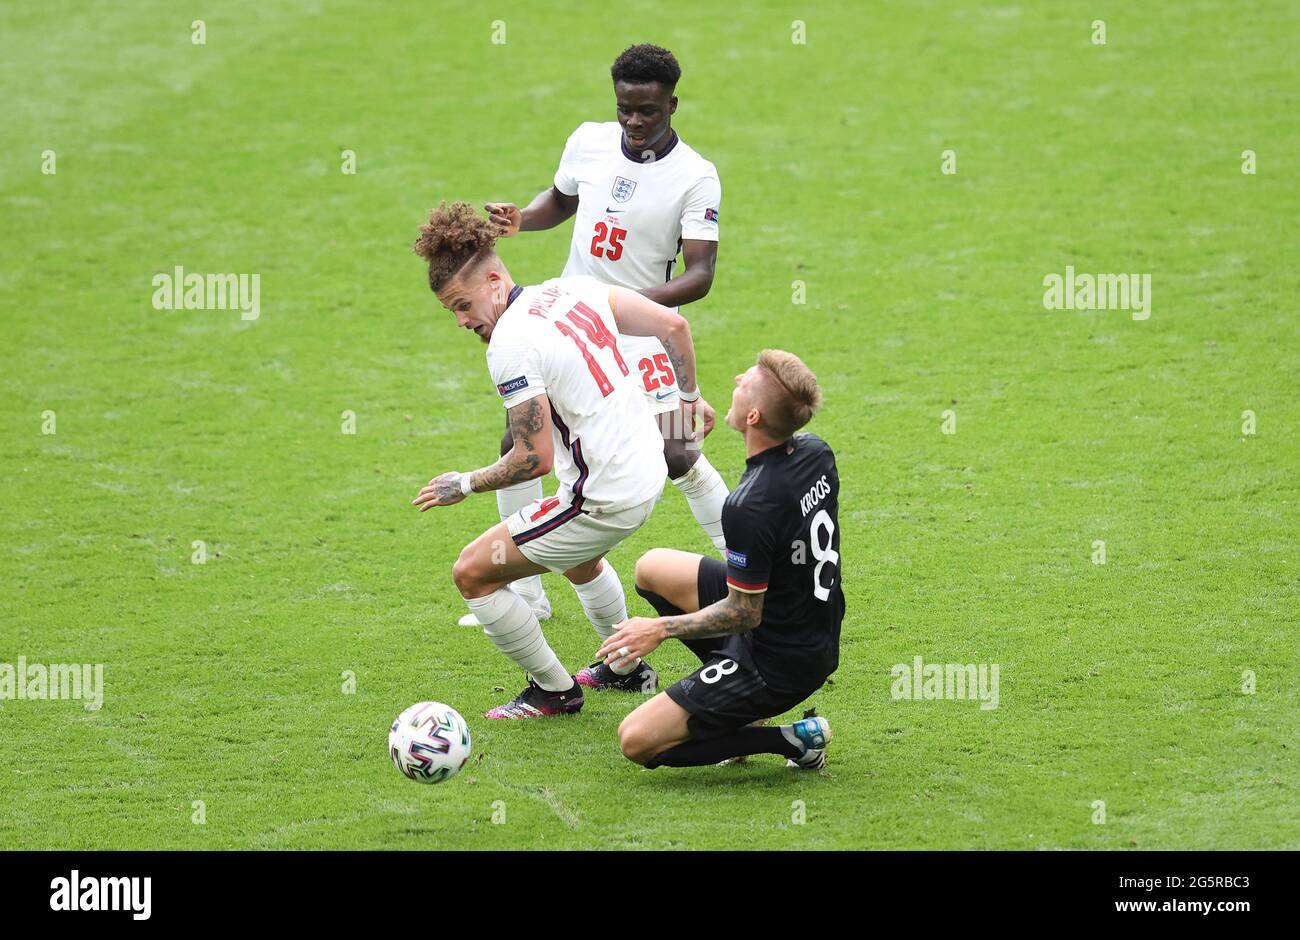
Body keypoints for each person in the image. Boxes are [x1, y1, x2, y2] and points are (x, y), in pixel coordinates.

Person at [410, 201, 716, 718]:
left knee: (473, 573)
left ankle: (554, 691)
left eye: (463, 305)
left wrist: (461, 485)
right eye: (452, 312)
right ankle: (626, 670)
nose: (462, 321)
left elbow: (531, 459)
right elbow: (673, 328)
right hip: (644, 470)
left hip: (604, 497)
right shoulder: (571, 287)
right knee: (576, 558)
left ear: (493, 279)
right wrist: (688, 399)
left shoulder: (508, 344)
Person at [474, 44, 729, 647]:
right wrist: (522, 221)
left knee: (677, 453)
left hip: (638, 331)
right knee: (518, 439)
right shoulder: (588, 140)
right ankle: (528, 595)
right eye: (624, 110)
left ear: (672, 103)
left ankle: (748, 567)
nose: (634, 123)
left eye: (647, 111)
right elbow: (561, 201)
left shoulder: (696, 176)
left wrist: (627, 304)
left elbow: (701, 273)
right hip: (567, 326)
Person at [595, 350, 843, 767]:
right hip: (810, 623)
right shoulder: (816, 452)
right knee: (652, 568)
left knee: (636, 741)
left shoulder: (750, 505)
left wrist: (659, 628)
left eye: (745, 384)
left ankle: (790, 742)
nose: (735, 379)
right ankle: (728, 700)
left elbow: (745, 613)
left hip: (779, 661)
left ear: (754, 418)